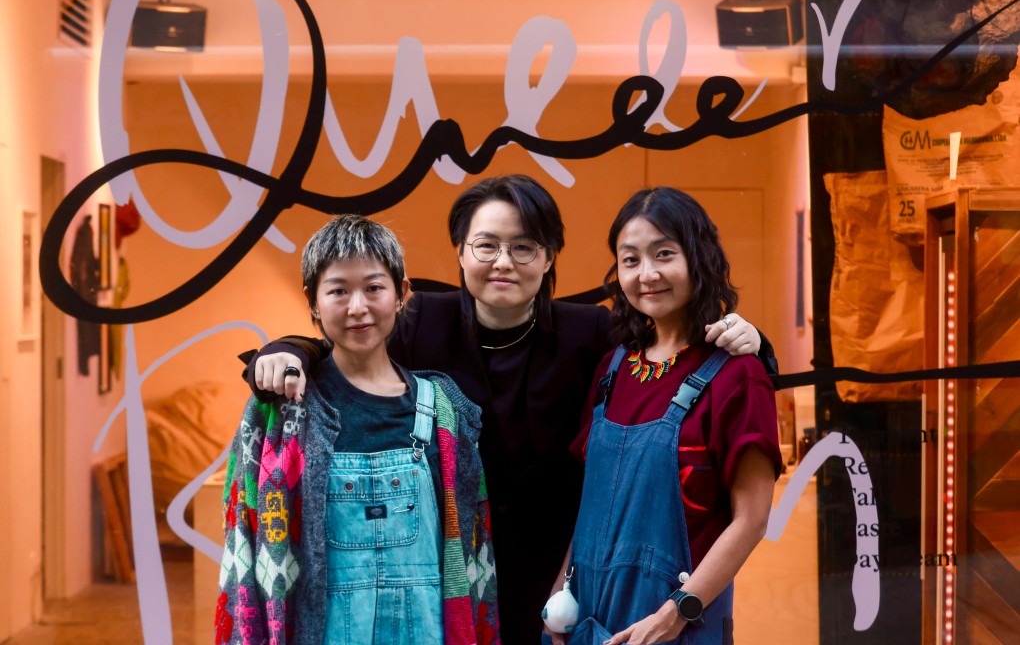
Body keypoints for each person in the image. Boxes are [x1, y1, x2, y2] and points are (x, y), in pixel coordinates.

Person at [241, 175, 774, 642]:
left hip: (561, 571)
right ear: (460, 252)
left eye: (524, 247)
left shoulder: (589, 331)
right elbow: (350, 335)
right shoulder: (421, 319)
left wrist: (754, 340)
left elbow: (679, 345)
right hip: (446, 563)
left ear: (548, 258)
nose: (503, 262)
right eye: (486, 245)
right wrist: (287, 349)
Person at [218, 215, 499, 645]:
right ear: (313, 301)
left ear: (402, 293)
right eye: (338, 291)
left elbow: (474, 553)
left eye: (373, 287)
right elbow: (244, 540)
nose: (357, 307)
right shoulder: (283, 415)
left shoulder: (443, 410)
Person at [544, 188, 780, 645]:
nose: (647, 274)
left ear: (699, 258)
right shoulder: (612, 370)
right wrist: (559, 597)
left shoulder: (737, 375)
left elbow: (752, 520)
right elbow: (593, 508)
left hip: (674, 628)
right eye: (630, 260)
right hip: (585, 622)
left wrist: (675, 614)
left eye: (664, 254)